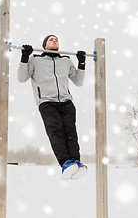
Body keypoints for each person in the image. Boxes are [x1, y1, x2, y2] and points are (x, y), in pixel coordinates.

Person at [17, 35, 88, 179]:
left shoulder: (66, 61)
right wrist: (25, 57)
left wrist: (81, 63)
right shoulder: (36, 60)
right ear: (45, 45)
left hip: (66, 102)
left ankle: (76, 162)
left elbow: (78, 81)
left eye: (56, 39)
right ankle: (65, 163)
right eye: (51, 40)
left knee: (71, 133)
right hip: (47, 102)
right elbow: (22, 77)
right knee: (56, 132)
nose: (55, 41)